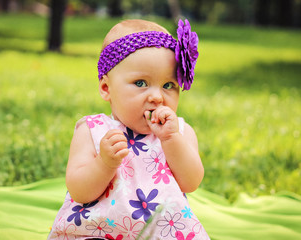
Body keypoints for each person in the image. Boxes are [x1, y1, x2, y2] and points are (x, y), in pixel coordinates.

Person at [48, 18, 209, 240]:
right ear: (106, 88)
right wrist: (104, 163)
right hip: (99, 231)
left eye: (168, 85)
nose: (157, 96)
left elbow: (191, 182)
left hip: (164, 233)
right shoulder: (93, 130)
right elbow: (79, 191)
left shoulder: (179, 132)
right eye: (141, 83)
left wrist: (171, 139)